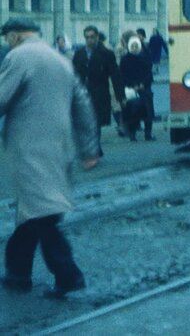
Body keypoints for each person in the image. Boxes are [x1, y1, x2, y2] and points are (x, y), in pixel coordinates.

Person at [0, 18, 100, 299]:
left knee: (42, 214)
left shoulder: (19, 57)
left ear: (16, 36)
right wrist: (90, 148)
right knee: (33, 212)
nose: (7, 42)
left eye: (7, 37)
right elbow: (83, 104)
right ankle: (17, 273)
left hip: (31, 148)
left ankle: (69, 274)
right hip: (60, 147)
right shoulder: (59, 59)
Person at [71, 25, 121, 156]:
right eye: (87, 37)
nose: (89, 40)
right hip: (82, 93)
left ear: (97, 37)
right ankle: (90, 147)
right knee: (84, 121)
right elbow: (74, 74)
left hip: (99, 93)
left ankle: (95, 147)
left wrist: (120, 96)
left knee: (96, 122)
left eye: (92, 37)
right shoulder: (79, 54)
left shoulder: (106, 54)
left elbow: (115, 75)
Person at [118, 37, 155, 141]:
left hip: (144, 89)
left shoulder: (144, 58)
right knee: (133, 114)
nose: (134, 48)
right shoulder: (125, 60)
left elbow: (149, 74)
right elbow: (122, 75)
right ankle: (132, 135)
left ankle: (148, 134)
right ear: (129, 47)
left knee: (148, 113)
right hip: (131, 90)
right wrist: (132, 85)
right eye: (132, 46)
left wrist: (143, 84)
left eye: (136, 46)